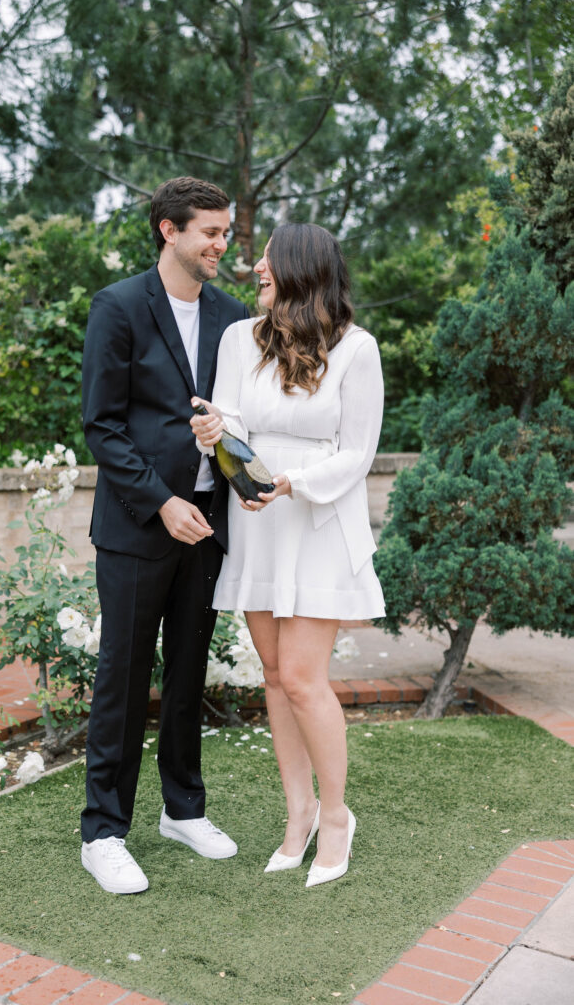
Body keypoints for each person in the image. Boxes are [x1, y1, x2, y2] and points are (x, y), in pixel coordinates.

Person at [190, 222, 385, 888]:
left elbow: (358, 452)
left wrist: (291, 484)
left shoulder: (356, 350)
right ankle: (296, 813)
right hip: (257, 519)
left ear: (301, 269)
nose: (256, 269)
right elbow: (231, 422)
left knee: (303, 678)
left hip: (317, 520)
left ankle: (336, 816)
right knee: (273, 678)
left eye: (269, 260)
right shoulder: (238, 339)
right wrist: (222, 445)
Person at [80, 176, 250, 894]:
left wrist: (240, 477)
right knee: (123, 678)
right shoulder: (117, 307)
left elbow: (238, 416)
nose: (222, 244)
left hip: (211, 526)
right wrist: (160, 501)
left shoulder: (234, 316)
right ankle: (102, 831)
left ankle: (183, 809)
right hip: (137, 529)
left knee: (187, 674)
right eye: (209, 232)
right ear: (167, 230)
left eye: (225, 231)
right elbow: (103, 426)